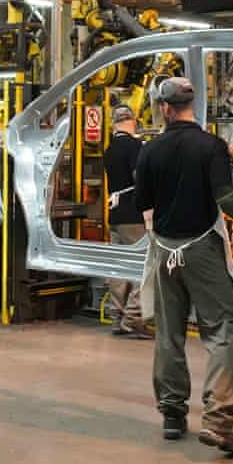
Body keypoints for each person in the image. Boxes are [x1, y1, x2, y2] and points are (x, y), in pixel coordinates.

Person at [134, 76, 233, 457]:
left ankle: (172, 416)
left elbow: (145, 207)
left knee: (168, 333)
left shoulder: (150, 151)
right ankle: (218, 423)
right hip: (202, 249)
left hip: (164, 252)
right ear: (190, 105)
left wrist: (163, 239)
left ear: (165, 108)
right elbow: (227, 198)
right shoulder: (211, 146)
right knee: (220, 331)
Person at [102, 104, 151, 339]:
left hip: (116, 214)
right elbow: (140, 178)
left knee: (118, 267)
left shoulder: (109, 149)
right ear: (131, 121)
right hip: (134, 215)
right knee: (144, 265)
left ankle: (117, 317)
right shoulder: (135, 146)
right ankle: (134, 318)